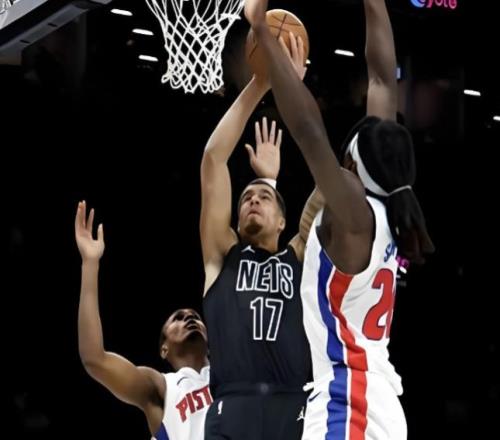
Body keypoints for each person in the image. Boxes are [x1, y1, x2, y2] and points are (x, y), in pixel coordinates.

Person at [244, 0, 435, 438]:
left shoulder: (355, 214)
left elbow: (309, 131)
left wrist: (262, 32)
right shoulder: (384, 211)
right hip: (372, 399)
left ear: (351, 166)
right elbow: (382, 78)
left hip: (350, 402)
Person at [200, 61, 324, 437]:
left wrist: (294, 91)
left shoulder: (298, 254)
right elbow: (213, 159)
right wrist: (260, 82)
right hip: (232, 404)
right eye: (246, 198)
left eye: (264, 197)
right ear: (236, 219)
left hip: (294, 404)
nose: (253, 200)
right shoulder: (222, 254)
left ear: (284, 222)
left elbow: (331, 177)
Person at [75, 201, 211, 440]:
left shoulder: (233, 373)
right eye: (178, 318)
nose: (189, 317)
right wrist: (90, 263)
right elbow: (94, 359)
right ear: (164, 349)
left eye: (195, 316)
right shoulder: (161, 387)